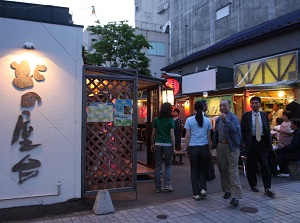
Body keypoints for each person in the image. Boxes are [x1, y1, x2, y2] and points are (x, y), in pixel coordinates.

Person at [241, 96, 275, 197]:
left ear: (260, 104)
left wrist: (269, 144)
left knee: (265, 164)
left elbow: (267, 129)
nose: (254, 105)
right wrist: (243, 142)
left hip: (262, 142)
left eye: (256, 103)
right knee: (251, 165)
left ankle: (267, 187)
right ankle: (253, 184)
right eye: (252, 103)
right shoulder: (246, 116)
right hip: (251, 142)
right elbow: (242, 129)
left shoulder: (264, 115)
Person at [212, 99, 242, 206]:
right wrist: (213, 146)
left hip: (231, 146)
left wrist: (226, 121)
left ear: (229, 107)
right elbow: (216, 133)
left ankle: (236, 196)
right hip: (221, 146)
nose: (222, 107)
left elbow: (235, 130)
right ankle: (227, 190)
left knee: (233, 171)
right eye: (220, 105)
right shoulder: (219, 119)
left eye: (224, 105)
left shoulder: (233, 118)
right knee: (223, 170)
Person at [184, 100, 212, 201]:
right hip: (204, 147)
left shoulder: (189, 120)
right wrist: (209, 150)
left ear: (194, 108)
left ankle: (196, 193)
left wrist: (185, 148)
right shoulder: (208, 120)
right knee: (202, 169)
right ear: (203, 107)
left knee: (194, 171)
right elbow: (209, 137)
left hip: (193, 147)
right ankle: (203, 188)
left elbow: (187, 136)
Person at [150, 102, 176, 193]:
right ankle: (167, 185)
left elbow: (153, 134)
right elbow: (172, 135)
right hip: (168, 144)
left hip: (158, 143)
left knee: (158, 165)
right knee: (168, 165)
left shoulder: (157, 119)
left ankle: (158, 187)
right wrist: (174, 147)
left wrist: (152, 144)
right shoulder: (171, 120)